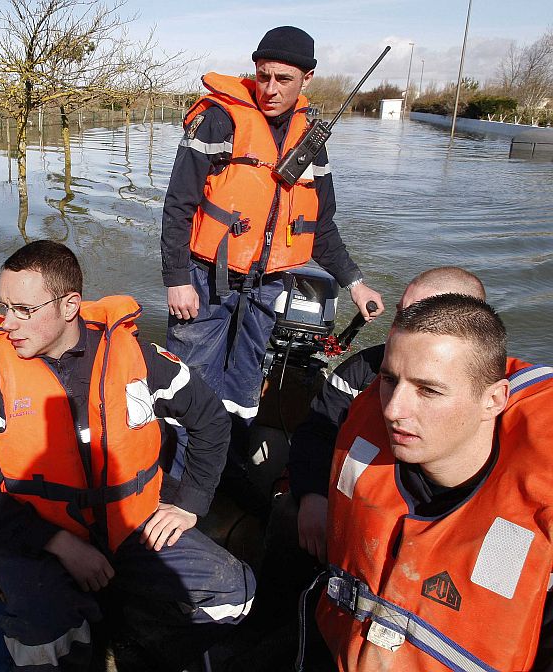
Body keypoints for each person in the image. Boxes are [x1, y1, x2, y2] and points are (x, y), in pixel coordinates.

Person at [0, 240, 255, 671]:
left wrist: (191, 503)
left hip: (131, 525)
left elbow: (210, 419)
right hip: (41, 539)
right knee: (41, 639)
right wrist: (60, 544)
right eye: (4, 308)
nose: (8, 324)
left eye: (24, 310)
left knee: (235, 591)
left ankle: (132, 647)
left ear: (69, 305)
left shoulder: (140, 361)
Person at [159, 25, 384, 501]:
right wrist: (177, 278)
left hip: (267, 286)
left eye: (284, 79)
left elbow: (320, 228)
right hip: (205, 279)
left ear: (307, 79)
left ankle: (226, 471)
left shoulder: (312, 142)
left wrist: (356, 284)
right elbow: (178, 206)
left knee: (244, 388)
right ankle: (178, 483)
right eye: (263, 76)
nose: (271, 89)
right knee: (191, 383)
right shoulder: (218, 121)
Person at [312, 294, 553, 671]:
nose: (393, 410)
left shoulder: (535, 516)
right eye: (389, 380)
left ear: (493, 400)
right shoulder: (365, 442)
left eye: (428, 390)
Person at [288, 267, 486, 563]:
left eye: (429, 390)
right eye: (400, 314)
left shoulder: (488, 393)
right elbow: (318, 431)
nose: (394, 409)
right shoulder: (360, 372)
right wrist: (312, 494)